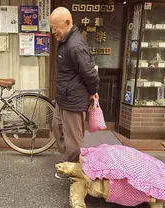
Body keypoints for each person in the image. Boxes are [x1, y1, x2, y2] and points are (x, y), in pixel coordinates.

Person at [50, 7, 100, 179]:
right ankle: (68, 162)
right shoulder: (66, 41)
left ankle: (75, 173)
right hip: (64, 98)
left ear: (67, 23)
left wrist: (93, 92)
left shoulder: (75, 45)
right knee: (57, 129)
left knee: (74, 140)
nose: (53, 31)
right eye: (51, 27)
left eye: (55, 27)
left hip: (74, 100)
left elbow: (90, 72)